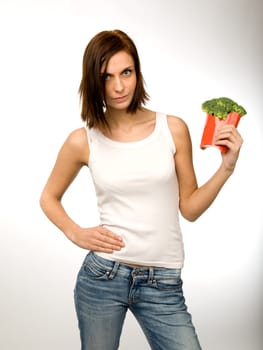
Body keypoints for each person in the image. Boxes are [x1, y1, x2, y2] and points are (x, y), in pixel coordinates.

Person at [39, 29, 243, 350]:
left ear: (137, 72)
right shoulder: (82, 140)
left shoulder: (172, 129)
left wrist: (226, 167)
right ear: (93, 82)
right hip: (103, 277)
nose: (119, 86)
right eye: (106, 77)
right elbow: (48, 198)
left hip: (162, 284)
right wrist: (75, 232)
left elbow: (189, 208)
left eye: (126, 72)